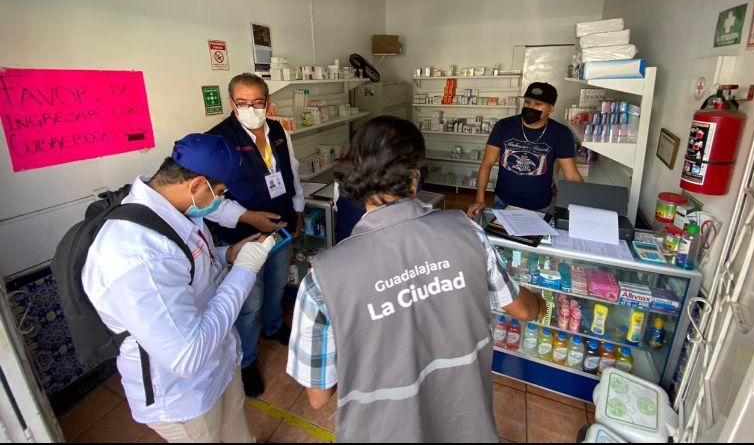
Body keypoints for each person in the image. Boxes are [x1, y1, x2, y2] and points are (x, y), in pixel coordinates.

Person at [285, 116, 545, 442]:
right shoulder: (468, 234)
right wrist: (541, 302)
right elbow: (522, 310)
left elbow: (318, 396)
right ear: (414, 178)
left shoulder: (322, 279)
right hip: (465, 424)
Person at [82, 133, 276, 442]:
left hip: (221, 364)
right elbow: (188, 355)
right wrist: (244, 270)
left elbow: (193, 270)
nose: (219, 200)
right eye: (220, 192)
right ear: (198, 184)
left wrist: (228, 255)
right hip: (185, 397)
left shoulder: (174, 211)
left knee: (239, 435)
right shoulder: (137, 255)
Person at [206, 73, 304, 397]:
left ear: (268, 103)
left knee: (277, 282)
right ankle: (246, 360)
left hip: (280, 226)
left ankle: (274, 326)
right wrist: (248, 217)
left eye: (258, 103)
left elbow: (292, 171)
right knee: (250, 301)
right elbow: (208, 201)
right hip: (244, 236)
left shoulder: (277, 131)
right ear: (232, 103)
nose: (251, 109)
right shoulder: (217, 140)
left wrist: (298, 210)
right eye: (243, 103)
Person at [467, 82, 584, 219]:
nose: (531, 107)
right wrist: (480, 200)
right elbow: (487, 163)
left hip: (540, 204)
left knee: (532, 240)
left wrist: (583, 207)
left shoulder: (561, 134)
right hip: (503, 201)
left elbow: (571, 175)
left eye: (538, 104)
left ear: (551, 108)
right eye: (527, 102)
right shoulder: (504, 126)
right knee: (499, 239)